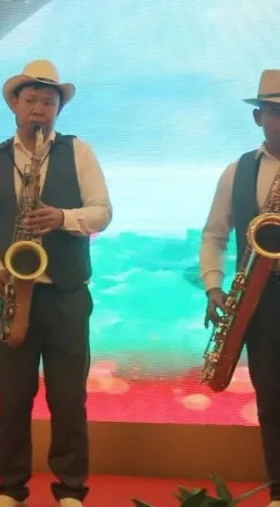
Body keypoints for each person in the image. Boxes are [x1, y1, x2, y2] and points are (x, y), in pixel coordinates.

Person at [0, 60, 112, 507]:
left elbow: (102, 212)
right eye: (31, 100)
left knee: (68, 398)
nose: (39, 110)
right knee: (12, 397)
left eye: (49, 103)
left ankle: (70, 490)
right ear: (14, 104)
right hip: (13, 291)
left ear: (58, 110)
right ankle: (11, 489)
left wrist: (63, 218)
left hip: (67, 295)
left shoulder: (78, 151)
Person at [200, 69, 280, 507]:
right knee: (271, 401)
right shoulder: (237, 171)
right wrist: (213, 286)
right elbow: (214, 234)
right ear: (258, 118)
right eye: (274, 112)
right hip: (259, 300)